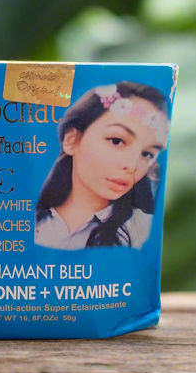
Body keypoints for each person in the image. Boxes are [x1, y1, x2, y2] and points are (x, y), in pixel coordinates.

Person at [35, 81, 170, 250]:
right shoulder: (22, 219)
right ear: (72, 140)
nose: (132, 166)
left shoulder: (146, 232)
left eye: (147, 154)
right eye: (117, 141)